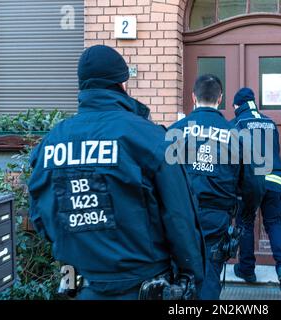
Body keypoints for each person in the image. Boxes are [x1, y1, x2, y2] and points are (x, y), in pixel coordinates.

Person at [27, 45, 205, 300]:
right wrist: (191, 277)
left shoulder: (50, 144)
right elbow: (180, 218)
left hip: (81, 286)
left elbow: (41, 216)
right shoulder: (150, 138)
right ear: (122, 84)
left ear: (82, 87)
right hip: (143, 285)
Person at [168, 75, 265, 300]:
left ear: (193, 97)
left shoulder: (173, 132)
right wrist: (246, 214)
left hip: (179, 219)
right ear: (220, 99)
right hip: (216, 220)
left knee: (176, 277)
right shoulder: (237, 136)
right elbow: (254, 184)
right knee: (209, 278)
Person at [230, 88, 281, 292]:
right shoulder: (270, 122)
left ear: (237, 106)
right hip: (273, 179)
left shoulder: (237, 124)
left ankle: (247, 269)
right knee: (274, 223)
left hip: (251, 182)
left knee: (246, 222)